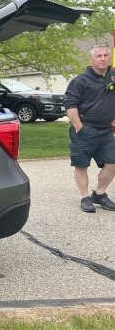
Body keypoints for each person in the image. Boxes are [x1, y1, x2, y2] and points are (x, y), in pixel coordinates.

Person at [63, 44, 115, 213]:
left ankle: (99, 194)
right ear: (91, 59)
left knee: (112, 163)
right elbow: (70, 104)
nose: (103, 58)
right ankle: (85, 197)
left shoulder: (112, 78)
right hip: (85, 129)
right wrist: (78, 126)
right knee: (81, 164)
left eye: (106, 55)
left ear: (110, 58)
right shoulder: (80, 81)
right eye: (99, 56)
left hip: (106, 131)